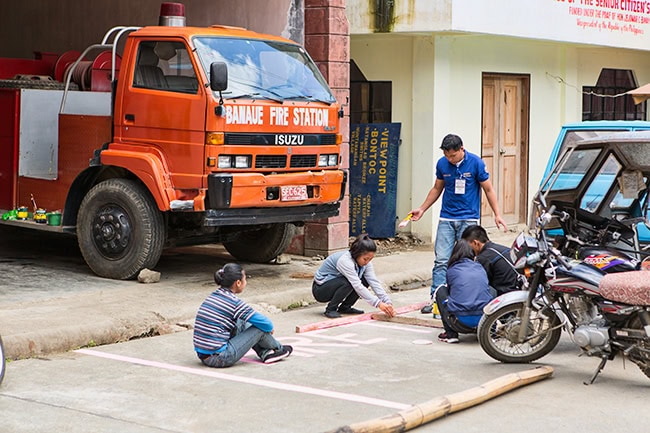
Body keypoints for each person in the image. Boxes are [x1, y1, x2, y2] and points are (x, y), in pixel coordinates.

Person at [409, 133, 507, 314]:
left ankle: (465, 298)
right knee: (441, 260)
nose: (450, 159)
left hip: (468, 219)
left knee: (468, 260)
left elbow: (488, 189)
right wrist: (422, 209)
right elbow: (437, 188)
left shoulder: (476, 163)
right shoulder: (442, 164)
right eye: (447, 156)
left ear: (462, 149)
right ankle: (436, 300)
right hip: (447, 218)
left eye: (453, 155)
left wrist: (497, 214)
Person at [193, 263, 293, 367]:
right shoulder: (234, 302)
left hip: (204, 355)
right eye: (245, 279)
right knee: (259, 328)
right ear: (238, 283)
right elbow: (266, 324)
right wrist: (269, 328)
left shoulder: (213, 296)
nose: (246, 282)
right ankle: (279, 349)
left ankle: (266, 353)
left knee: (242, 321)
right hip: (220, 357)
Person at [312, 234, 396, 319]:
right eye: (365, 259)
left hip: (337, 284)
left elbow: (373, 281)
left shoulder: (366, 263)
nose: (367, 262)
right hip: (320, 290)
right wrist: (378, 303)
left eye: (370, 259)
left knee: (365, 280)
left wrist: (387, 301)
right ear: (357, 254)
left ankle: (345, 307)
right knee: (348, 282)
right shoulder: (345, 261)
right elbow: (357, 285)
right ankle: (330, 309)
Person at [436, 239, 493, 344]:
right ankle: (490, 330)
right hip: (483, 320)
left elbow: (452, 293)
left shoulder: (452, 270)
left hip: (459, 322)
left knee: (440, 290)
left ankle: (450, 334)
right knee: (490, 289)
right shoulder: (480, 267)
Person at [461, 225, 520, 296]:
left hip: (505, 293)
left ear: (475, 243)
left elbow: (478, 283)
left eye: (468, 246)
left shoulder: (483, 258)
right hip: (517, 287)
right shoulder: (500, 248)